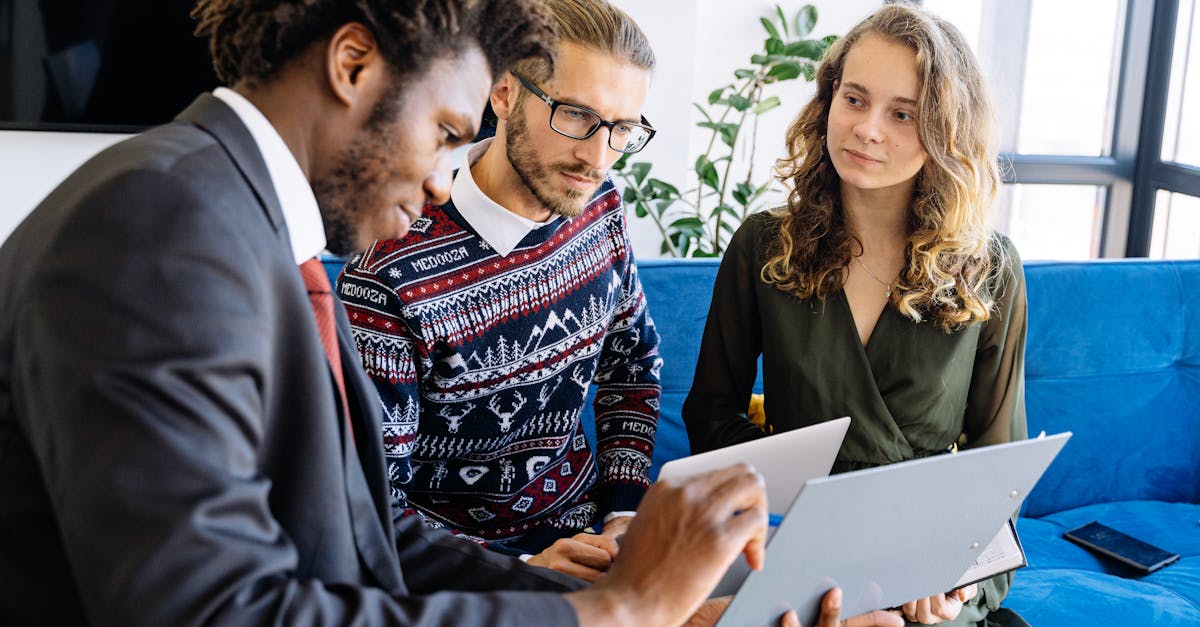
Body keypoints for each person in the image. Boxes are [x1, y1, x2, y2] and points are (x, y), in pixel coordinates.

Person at [0, 1, 903, 626]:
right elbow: (215, 610)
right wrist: (623, 609)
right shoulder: (159, 229)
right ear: (353, 66)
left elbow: (365, 532)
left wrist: (660, 608)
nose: (443, 179)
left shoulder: (228, 217)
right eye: (443, 133)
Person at [682, 4, 1029, 627]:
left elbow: (998, 471)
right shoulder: (763, 245)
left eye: (903, 114)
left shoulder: (990, 267)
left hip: (928, 581)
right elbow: (711, 416)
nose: (867, 129)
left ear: (947, 131)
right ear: (828, 100)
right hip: (801, 559)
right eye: (854, 99)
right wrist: (810, 520)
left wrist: (955, 583)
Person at [338, 0, 660, 581]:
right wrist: (524, 569)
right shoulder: (388, 274)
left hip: (593, 542)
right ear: (505, 93)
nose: (597, 157)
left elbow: (632, 367)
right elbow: (373, 502)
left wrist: (624, 513)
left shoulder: (599, 206)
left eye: (622, 129)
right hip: (469, 577)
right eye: (575, 116)